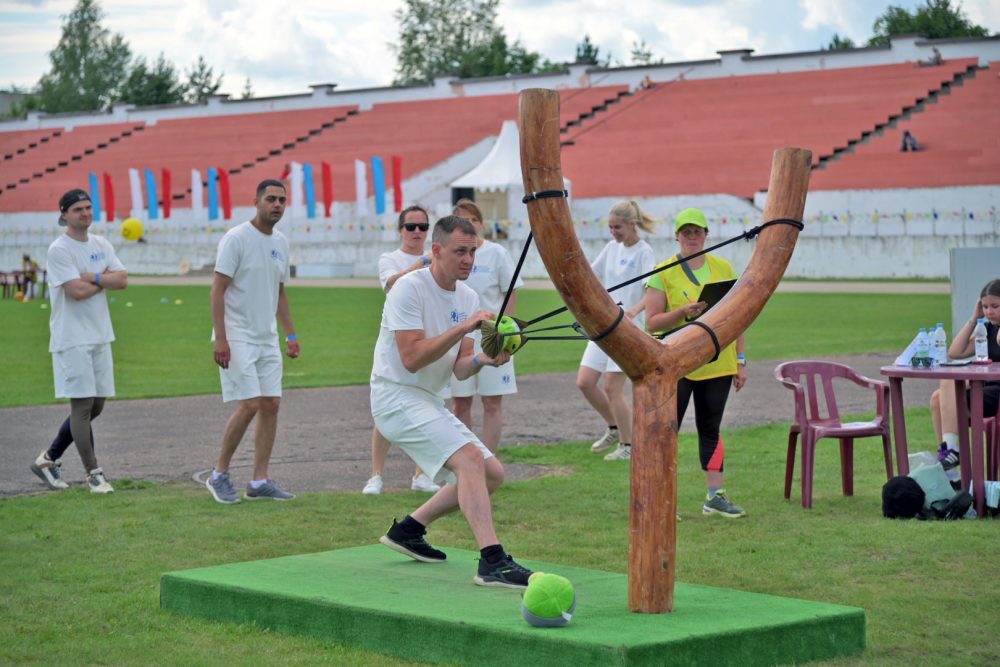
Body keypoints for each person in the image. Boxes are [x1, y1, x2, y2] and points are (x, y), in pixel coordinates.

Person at [371, 215, 533, 589]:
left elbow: (460, 370)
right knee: (470, 460)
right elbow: (411, 358)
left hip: (428, 399)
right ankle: (493, 560)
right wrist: (463, 327)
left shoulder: (468, 296)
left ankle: (408, 531)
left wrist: (485, 360)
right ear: (437, 250)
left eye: (473, 252)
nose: (468, 260)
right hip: (395, 396)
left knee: (493, 473)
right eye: (460, 251)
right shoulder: (408, 289)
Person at [645, 207, 748, 518]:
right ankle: (661, 497)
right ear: (676, 235)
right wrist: (682, 313)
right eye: (686, 231)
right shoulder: (663, 271)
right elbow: (652, 323)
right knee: (667, 431)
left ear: (706, 235)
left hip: (718, 361)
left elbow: (738, 316)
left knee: (711, 428)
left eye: (697, 231)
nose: (692, 237)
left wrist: (741, 360)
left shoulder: (723, 267)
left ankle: (715, 496)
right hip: (677, 362)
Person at [205, 179, 300, 504]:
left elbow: (280, 292)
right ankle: (218, 474)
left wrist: (290, 333)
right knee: (250, 404)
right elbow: (217, 289)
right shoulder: (237, 238)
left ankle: (259, 481)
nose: (277, 205)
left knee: (271, 404)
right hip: (237, 335)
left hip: (267, 337)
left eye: (282, 200)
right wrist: (221, 337)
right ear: (257, 201)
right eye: (271, 199)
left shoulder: (281, 242)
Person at [29, 189, 128, 494]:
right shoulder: (59, 249)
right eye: (77, 209)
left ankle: (48, 459)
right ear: (64, 215)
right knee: (83, 405)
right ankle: (94, 474)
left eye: (87, 208)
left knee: (96, 405)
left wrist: (93, 277)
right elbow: (75, 292)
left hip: (99, 334)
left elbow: (122, 279)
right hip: (72, 338)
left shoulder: (100, 243)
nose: (85, 213)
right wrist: (103, 279)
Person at [363, 205, 441, 495]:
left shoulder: (438, 257)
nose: (417, 232)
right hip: (397, 336)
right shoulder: (391, 258)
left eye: (422, 226)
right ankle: (375, 475)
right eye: (411, 227)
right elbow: (391, 285)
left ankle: (421, 474)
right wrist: (422, 261)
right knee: (386, 409)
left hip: (427, 333)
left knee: (428, 401)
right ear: (400, 230)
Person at [579, 200, 656, 461]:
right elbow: (589, 274)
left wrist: (633, 311)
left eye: (618, 227)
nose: (613, 232)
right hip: (604, 327)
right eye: (611, 227)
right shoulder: (611, 248)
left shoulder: (644, 252)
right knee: (585, 382)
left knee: (613, 387)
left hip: (629, 330)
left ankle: (628, 446)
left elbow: (652, 292)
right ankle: (614, 427)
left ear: (632, 225)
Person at [449, 199, 523, 453]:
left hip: (493, 335)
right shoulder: (452, 254)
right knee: (461, 403)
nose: (468, 225)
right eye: (462, 220)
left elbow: (510, 291)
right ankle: (465, 457)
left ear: (480, 223)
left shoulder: (496, 253)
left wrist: (505, 328)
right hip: (462, 334)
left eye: (472, 220)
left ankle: (487, 459)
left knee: (492, 403)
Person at [930, 279, 1000, 452]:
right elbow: (956, 352)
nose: (989, 312)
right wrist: (975, 318)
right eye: (984, 306)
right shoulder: (988, 329)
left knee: (948, 389)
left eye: (994, 306)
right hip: (985, 387)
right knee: (937, 397)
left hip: (997, 394)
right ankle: (948, 458)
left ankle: (950, 451)